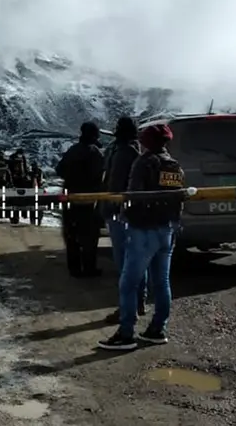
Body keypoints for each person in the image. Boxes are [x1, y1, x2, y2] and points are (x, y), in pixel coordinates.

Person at [99, 123, 184, 351]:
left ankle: (126, 333)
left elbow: (133, 195)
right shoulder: (173, 165)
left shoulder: (143, 162)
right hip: (167, 229)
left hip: (144, 230)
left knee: (128, 283)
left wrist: (126, 218)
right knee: (162, 281)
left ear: (147, 142)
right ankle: (158, 329)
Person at [101, 116, 146, 324]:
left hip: (120, 211)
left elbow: (114, 182)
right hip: (129, 211)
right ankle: (138, 302)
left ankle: (129, 309)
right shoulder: (133, 149)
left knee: (125, 263)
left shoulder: (123, 151)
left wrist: (110, 207)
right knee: (136, 260)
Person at [55, 122, 106, 278]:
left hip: (70, 197)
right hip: (89, 200)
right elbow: (100, 175)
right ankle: (89, 268)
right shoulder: (95, 152)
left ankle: (75, 269)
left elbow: (59, 169)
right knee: (89, 237)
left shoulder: (72, 150)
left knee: (72, 235)